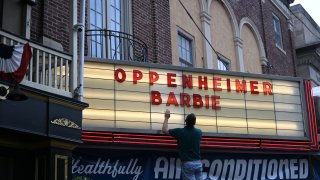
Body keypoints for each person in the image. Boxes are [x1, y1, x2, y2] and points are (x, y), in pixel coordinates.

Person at [162, 109, 203, 180]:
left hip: (187, 164)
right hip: (198, 163)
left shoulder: (180, 132)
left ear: (185, 121)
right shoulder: (199, 132)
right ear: (195, 122)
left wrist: (166, 117)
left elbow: (164, 130)